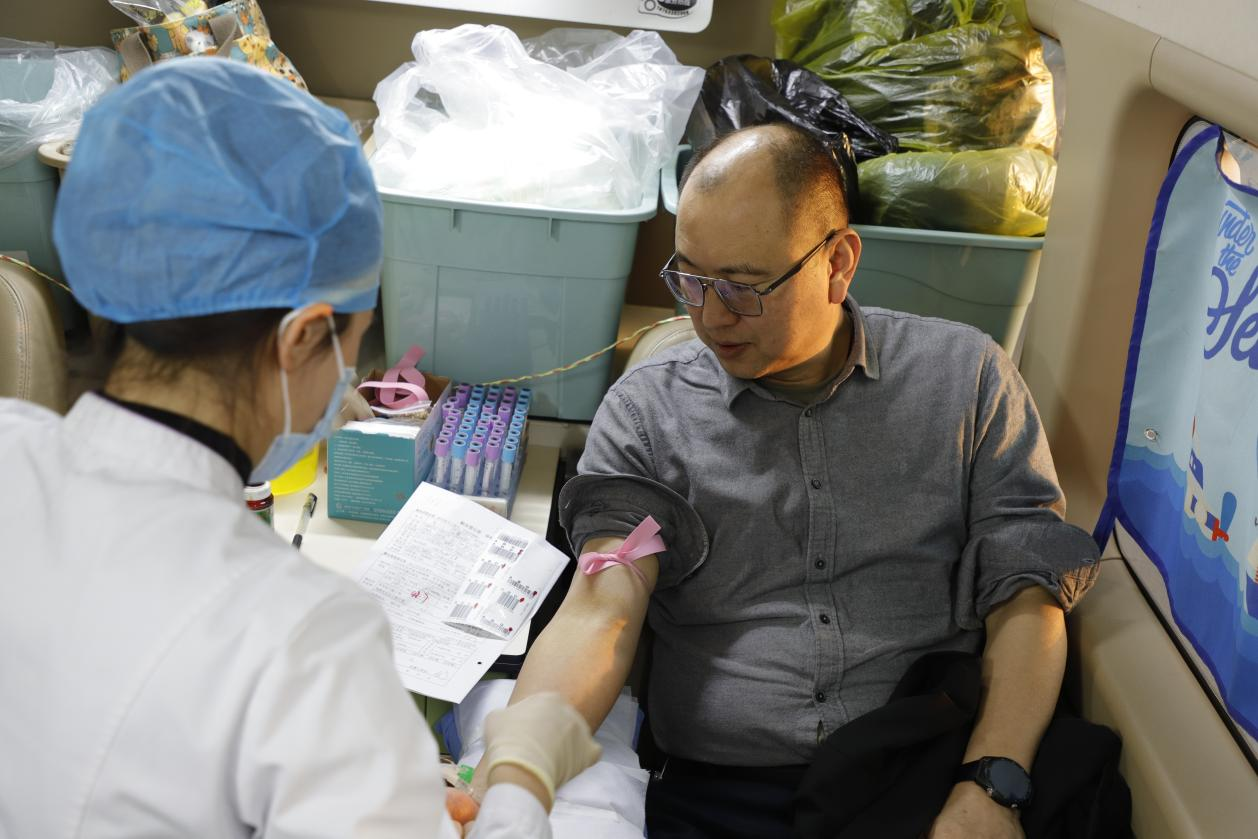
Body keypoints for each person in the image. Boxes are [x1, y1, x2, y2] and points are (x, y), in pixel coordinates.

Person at [0, 60, 599, 838]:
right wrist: (522, 775)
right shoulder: (305, 637)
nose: (351, 378)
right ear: (304, 336)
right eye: (352, 343)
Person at [504, 123, 1101, 839]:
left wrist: (991, 785)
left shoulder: (965, 380)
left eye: (743, 287)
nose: (711, 316)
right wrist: (518, 772)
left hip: (928, 766)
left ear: (838, 262)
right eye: (691, 278)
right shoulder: (648, 415)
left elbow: (1028, 595)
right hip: (722, 789)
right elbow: (602, 607)